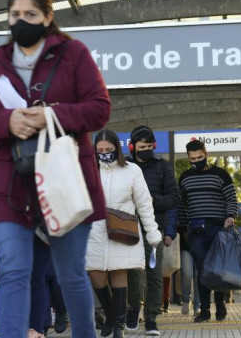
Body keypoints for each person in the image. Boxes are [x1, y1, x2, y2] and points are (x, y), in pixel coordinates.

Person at [0, 0, 111, 338]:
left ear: (48, 17)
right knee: (14, 272)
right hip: (11, 184)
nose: (22, 22)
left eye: (30, 15)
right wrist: (8, 121)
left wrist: (53, 114)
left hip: (64, 179)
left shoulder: (74, 53)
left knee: (69, 274)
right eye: (15, 15)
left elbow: (100, 109)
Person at [89, 130, 162, 338]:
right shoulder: (88, 171)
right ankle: (111, 316)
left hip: (122, 230)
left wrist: (152, 233)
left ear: (117, 149)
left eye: (109, 150)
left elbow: (145, 204)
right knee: (97, 276)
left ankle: (118, 326)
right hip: (95, 231)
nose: (104, 153)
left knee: (120, 272)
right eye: (100, 150)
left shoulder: (132, 170)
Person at [125, 126, 180, 336]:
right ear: (133, 147)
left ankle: (151, 317)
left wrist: (150, 202)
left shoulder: (163, 167)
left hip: (154, 226)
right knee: (132, 271)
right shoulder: (126, 167)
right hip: (128, 226)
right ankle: (133, 309)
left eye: (149, 146)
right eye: (141, 147)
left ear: (154, 146)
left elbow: (174, 198)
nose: (146, 150)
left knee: (154, 273)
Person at [178, 140, 239, 323]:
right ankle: (204, 310)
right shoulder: (185, 178)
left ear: (206, 154)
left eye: (199, 157)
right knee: (203, 271)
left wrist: (230, 216)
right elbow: (182, 205)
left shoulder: (221, 175)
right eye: (192, 159)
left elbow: (231, 199)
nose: (196, 161)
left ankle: (220, 304)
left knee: (218, 270)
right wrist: (184, 228)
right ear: (188, 158)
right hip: (196, 232)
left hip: (219, 228)